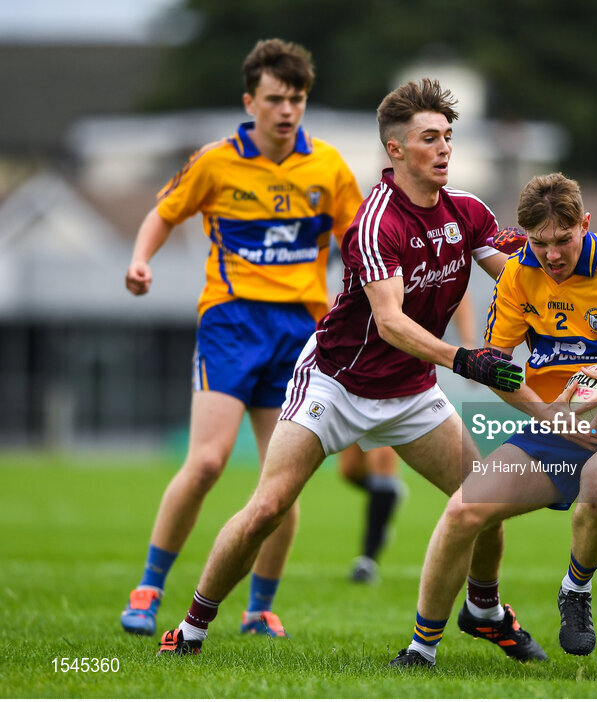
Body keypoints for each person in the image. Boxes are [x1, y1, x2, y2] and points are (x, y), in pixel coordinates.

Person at [155, 79, 546, 665]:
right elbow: (389, 323)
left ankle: (485, 611)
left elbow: (522, 276)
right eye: (429, 139)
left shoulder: (467, 211)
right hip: (335, 384)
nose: (444, 149)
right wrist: (467, 360)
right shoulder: (375, 223)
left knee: (484, 498)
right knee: (268, 506)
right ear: (395, 149)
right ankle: (190, 628)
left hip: (410, 392)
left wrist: (584, 261)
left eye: (448, 138)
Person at [388, 172, 597, 669]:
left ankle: (575, 590)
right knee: (463, 512)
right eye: (540, 244)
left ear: (584, 224)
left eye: (563, 240)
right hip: (555, 425)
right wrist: (551, 418)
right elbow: (497, 367)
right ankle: (421, 649)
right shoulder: (519, 274)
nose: (553, 255)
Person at [119, 38, 363, 639]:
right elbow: (164, 212)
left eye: (298, 99)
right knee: (205, 462)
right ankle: (149, 588)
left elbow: (361, 241)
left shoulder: (327, 167)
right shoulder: (215, 160)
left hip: (301, 334)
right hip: (231, 324)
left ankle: (259, 609)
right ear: (250, 100)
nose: (287, 110)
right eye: (276, 99)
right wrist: (140, 258)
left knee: (280, 485)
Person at [339, 294, 476, 585]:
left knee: (382, 459)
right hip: (352, 365)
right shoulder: (346, 250)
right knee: (350, 470)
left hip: (400, 370)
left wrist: (468, 345)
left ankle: (367, 559)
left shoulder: (421, 255)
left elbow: (459, 294)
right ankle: (387, 495)